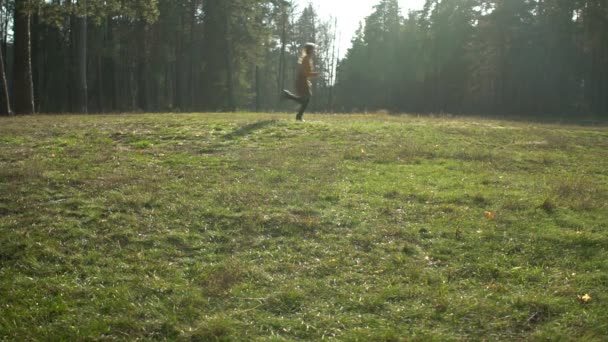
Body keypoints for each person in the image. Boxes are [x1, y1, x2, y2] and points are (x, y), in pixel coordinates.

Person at [282, 43, 320, 121]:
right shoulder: (306, 59)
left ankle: (298, 115)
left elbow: (306, 73)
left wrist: (313, 74)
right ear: (310, 50)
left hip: (303, 81)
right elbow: (305, 73)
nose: (315, 51)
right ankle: (288, 95)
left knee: (305, 99)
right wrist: (316, 74)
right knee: (305, 99)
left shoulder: (308, 59)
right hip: (302, 81)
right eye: (313, 50)